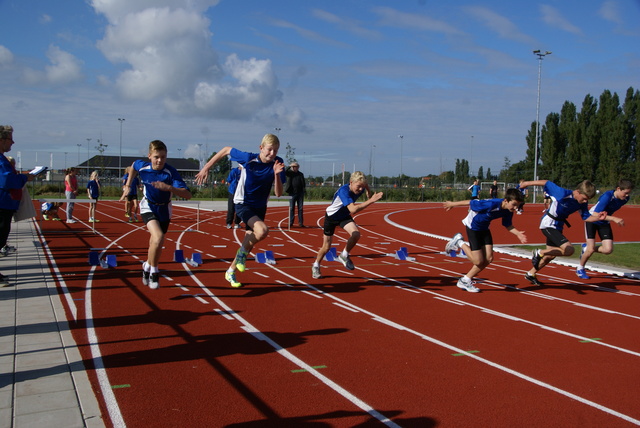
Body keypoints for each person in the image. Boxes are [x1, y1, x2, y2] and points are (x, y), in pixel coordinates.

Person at [195, 134, 286, 288]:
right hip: (243, 203)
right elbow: (225, 150)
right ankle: (242, 254)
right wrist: (206, 167)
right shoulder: (248, 158)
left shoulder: (278, 163)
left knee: (249, 241)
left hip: (260, 206)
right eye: (269, 150)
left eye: (275, 151)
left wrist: (277, 175)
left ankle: (230, 271)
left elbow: (278, 193)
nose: (272, 154)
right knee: (263, 231)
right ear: (261, 148)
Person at [121, 140, 192, 290]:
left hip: (164, 210)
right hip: (148, 206)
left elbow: (187, 195)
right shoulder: (144, 167)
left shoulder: (170, 172)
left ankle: (147, 265)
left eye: (163, 157)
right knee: (158, 236)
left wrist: (169, 188)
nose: (160, 160)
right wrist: (128, 185)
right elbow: (133, 165)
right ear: (149, 156)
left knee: (157, 242)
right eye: (156, 157)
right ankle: (154, 271)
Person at [520, 179, 605, 286]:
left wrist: (598, 217)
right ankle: (539, 252)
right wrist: (526, 184)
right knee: (569, 250)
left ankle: (531, 273)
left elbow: (586, 217)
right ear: (578, 192)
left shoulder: (582, 203)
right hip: (548, 224)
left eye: (587, 200)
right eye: (584, 198)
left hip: (559, 226)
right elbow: (546, 183)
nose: (585, 201)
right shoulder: (563, 193)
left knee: (550, 255)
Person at [443, 189, 527, 292]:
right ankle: (459, 242)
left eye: (517, 205)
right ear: (506, 200)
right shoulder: (490, 204)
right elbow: (471, 202)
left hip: (484, 229)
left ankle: (465, 280)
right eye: (514, 204)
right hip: (473, 227)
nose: (515, 208)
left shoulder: (508, 211)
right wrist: (452, 204)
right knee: (478, 261)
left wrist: (518, 234)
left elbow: (507, 225)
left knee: (489, 258)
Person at [311, 171, 383, 279]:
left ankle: (344, 255)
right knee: (326, 247)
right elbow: (353, 209)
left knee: (356, 234)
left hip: (344, 216)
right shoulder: (344, 191)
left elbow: (365, 185)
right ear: (351, 182)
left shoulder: (361, 186)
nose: (360, 190)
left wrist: (368, 191)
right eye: (358, 187)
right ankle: (316, 265)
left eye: (362, 187)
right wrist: (371, 200)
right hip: (331, 217)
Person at [577, 179, 633, 279]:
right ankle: (580, 268)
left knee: (608, 249)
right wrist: (613, 218)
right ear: (618, 189)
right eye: (625, 193)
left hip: (604, 222)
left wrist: (609, 218)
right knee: (590, 249)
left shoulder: (625, 199)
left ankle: (586, 248)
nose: (627, 196)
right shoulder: (607, 196)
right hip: (592, 220)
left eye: (628, 193)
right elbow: (595, 214)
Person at [0, 125, 35, 286]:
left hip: (6, 205)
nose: (12, 143)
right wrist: (24, 178)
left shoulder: (2, 159)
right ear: (2, 140)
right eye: (10, 139)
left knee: (2, 237)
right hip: (2, 204)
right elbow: (6, 180)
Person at [285, 161, 306, 227]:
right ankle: (291, 222)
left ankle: (301, 223)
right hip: (292, 193)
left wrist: (303, 190)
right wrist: (289, 166)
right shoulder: (290, 173)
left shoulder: (301, 174)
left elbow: (303, 183)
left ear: (298, 167)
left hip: (300, 193)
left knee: (300, 208)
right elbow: (285, 172)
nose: (294, 168)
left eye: (296, 167)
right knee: (291, 208)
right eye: (293, 167)